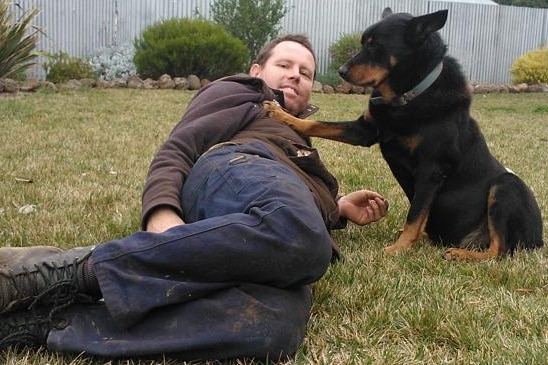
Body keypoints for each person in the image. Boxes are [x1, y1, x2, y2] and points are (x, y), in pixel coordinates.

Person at [0, 34, 388, 362]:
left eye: (305, 73)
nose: (295, 75)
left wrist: (335, 208)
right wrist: (162, 212)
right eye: (284, 64)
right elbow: (178, 148)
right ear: (257, 72)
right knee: (300, 232)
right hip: (236, 167)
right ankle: (56, 274)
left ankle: (41, 325)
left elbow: (295, 221)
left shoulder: (303, 142)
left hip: (275, 215)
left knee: (273, 328)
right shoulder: (246, 94)